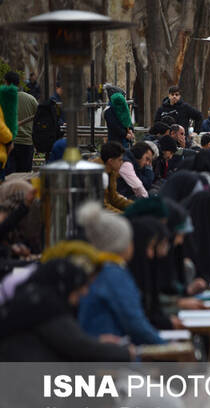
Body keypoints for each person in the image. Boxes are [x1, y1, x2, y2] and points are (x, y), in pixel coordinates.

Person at [0, 259, 134, 362]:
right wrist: (124, 353)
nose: (84, 292)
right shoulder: (46, 306)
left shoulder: (32, 301)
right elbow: (78, 346)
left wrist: (98, 341)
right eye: (80, 288)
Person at [75, 202, 165, 345]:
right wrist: (167, 347)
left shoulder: (97, 269)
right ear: (120, 244)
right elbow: (134, 322)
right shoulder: (113, 274)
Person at [3, 72, 37, 174]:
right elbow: (40, 116)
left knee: (10, 176)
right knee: (25, 175)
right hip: (27, 143)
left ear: (7, 83)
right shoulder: (31, 99)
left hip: (10, 143)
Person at [93, 141, 132, 213]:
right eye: (119, 160)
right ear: (110, 161)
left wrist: (135, 207)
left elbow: (114, 198)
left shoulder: (111, 171)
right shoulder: (94, 174)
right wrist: (124, 216)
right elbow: (102, 206)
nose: (122, 163)